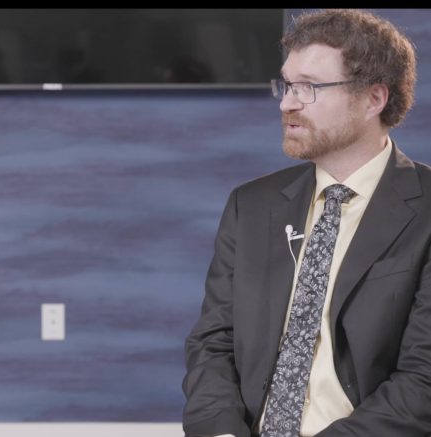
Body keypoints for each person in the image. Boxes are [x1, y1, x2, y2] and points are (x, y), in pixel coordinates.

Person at [182, 9, 431, 437]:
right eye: (287, 85)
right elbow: (213, 344)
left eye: (309, 87)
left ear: (374, 99)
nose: (287, 103)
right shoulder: (251, 205)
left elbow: (423, 381)